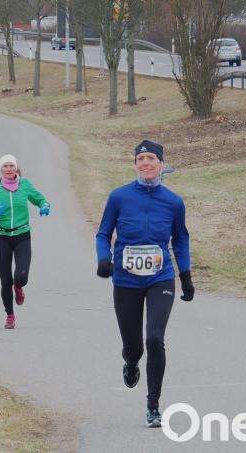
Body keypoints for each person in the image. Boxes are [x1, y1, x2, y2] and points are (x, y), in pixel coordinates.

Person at [95, 140, 193, 428]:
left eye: (152, 158)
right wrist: (104, 259)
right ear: (135, 164)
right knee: (134, 346)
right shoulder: (119, 197)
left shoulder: (174, 202)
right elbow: (103, 234)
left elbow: (181, 239)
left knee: (154, 338)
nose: (146, 163)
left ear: (162, 164)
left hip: (160, 277)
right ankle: (130, 361)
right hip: (125, 280)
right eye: (141, 159)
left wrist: (185, 276)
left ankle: (153, 405)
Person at [0, 154, 50, 329]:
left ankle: (18, 288)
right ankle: (10, 315)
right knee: (5, 281)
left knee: (21, 276)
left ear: (16, 168)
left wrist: (44, 206)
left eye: (11, 166)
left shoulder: (24, 185)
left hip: (22, 236)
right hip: (2, 237)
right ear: (0, 169)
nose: (9, 169)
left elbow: (39, 198)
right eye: (5, 166)